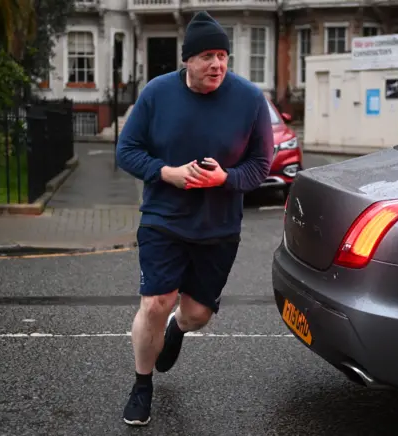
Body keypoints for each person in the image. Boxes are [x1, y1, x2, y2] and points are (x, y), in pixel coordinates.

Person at [115, 10, 274, 427]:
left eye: (223, 55)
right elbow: (125, 151)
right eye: (207, 56)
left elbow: (261, 164)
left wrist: (226, 178)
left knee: (198, 314)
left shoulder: (250, 99)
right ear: (186, 59)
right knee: (155, 303)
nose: (217, 64)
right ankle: (142, 384)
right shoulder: (156, 93)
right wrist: (166, 172)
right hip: (163, 219)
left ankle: (178, 330)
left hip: (218, 227)